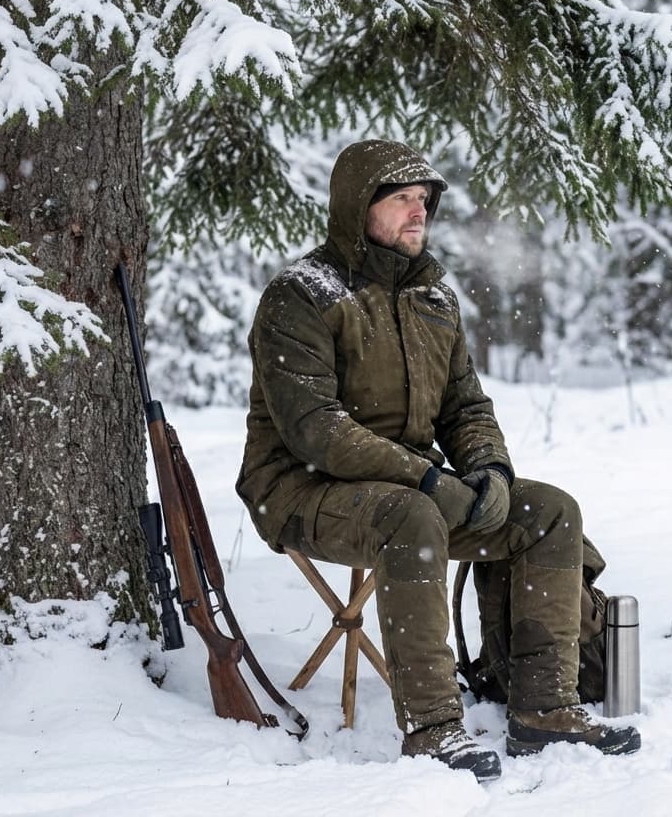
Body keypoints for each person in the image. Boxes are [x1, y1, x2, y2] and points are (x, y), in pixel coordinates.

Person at [237, 140, 639, 782]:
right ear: (357, 207)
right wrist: (427, 478)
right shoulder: (300, 297)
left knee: (550, 512)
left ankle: (544, 709)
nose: (417, 212)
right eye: (400, 199)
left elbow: (465, 407)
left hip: (412, 490)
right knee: (412, 517)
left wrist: (490, 473)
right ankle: (432, 728)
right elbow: (317, 430)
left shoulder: (435, 300)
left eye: (422, 200)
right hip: (297, 489)